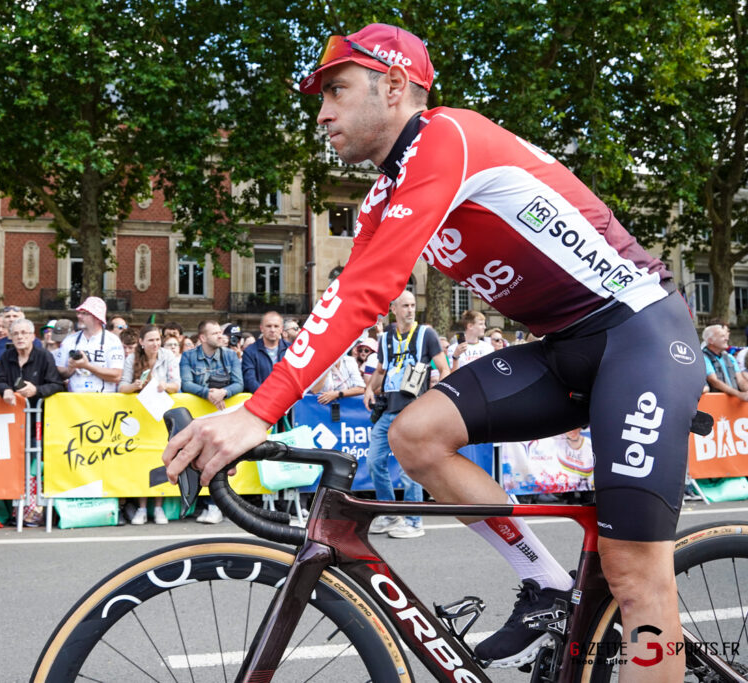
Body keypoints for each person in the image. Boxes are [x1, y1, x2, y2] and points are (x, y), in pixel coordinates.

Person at [164, 23, 704, 677]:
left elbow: (367, 289)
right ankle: (548, 586)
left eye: (336, 90)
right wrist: (259, 405)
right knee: (417, 435)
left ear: (393, 86)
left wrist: (256, 412)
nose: (323, 112)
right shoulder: (381, 198)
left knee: (636, 573)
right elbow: (343, 303)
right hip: (567, 347)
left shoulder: (447, 137)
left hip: (641, 334)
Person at [364, 290, 448, 538]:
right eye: (405, 306)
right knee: (373, 462)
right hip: (388, 409)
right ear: (394, 310)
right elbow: (381, 369)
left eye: (413, 305)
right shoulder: (387, 336)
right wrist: (370, 388)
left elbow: (443, 369)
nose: (410, 310)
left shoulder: (426, 334)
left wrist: (435, 400)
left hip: (413, 411)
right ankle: (391, 514)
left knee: (408, 468)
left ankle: (414, 522)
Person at [0, 318, 64, 527]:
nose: (20, 337)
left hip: (37, 423)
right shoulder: (7, 356)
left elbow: (57, 385)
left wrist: (37, 391)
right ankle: (16, 511)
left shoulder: (44, 357)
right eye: (16, 334)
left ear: (33, 336)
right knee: (13, 466)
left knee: (34, 467)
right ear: (11, 337)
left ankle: (33, 511)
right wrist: (4, 388)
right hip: (12, 424)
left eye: (24, 333)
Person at [179, 320, 244, 524]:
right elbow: (186, 383)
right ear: (202, 337)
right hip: (199, 418)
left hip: (224, 417)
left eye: (220, 332)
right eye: (215, 333)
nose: (220, 335)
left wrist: (224, 392)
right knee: (200, 460)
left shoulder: (230, 355)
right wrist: (208, 394)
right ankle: (206, 504)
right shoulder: (189, 356)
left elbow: (239, 383)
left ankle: (216, 505)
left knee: (221, 460)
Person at [118, 325, 180, 525]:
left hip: (160, 414)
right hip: (139, 415)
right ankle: (142, 508)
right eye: (151, 340)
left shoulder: (168, 356)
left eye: (157, 340)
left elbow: (177, 384)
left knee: (160, 459)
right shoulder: (131, 359)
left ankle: (159, 507)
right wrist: (134, 386)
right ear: (142, 342)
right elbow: (122, 387)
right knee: (141, 460)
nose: (155, 344)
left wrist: (165, 386)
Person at [55, 297, 125, 393]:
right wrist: (70, 369)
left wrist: (87, 366)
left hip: (103, 402)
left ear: (97, 317)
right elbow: (59, 372)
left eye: (84, 313)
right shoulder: (69, 340)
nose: (79, 316)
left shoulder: (113, 341)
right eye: (79, 313)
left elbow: (116, 376)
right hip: (74, 403)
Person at [241, 311, 290, 392]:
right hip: (261, 400)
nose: (272, 330)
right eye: (268, 326)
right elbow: (249, 380)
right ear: (261, 328)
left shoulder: (291, 349)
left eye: (276, 326)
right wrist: (267, 395)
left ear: (281, 329)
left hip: (287, 399)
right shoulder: (250, 351)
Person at [702, 324, 748, 398]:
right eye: (722, 336)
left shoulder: (729, 357)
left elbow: (740, 380)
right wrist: (738, 394)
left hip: (733, 403)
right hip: (715, 404)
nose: (727, 339)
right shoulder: (703, 357)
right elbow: (714, 381)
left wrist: (746, 390)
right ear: (711, 340)